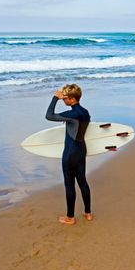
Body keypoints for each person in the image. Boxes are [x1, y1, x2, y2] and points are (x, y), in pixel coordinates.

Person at [45, 84, 93, 225]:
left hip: (70, 153)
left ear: (72, 99)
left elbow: (49, 116)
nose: (63, 100)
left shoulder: (72, 114)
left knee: (69, 184)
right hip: (81, 150)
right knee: (82, 181)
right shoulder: (85, 112)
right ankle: (88, 213)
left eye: (65, 98)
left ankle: (70, 217)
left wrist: (55, 98)